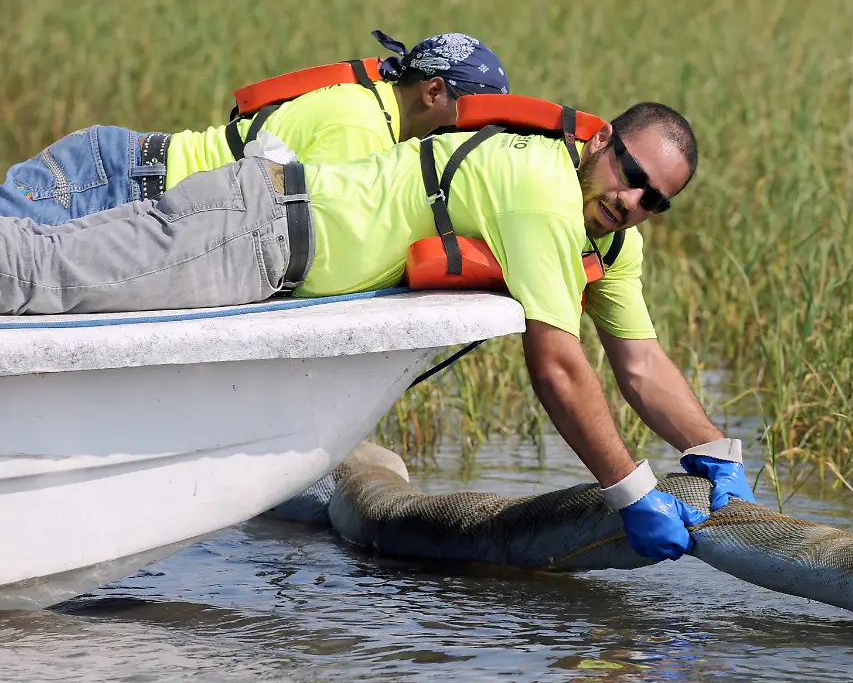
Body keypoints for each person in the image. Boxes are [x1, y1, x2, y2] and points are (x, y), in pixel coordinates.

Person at [0, 100, 754, 562]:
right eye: (629, 172)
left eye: (655, 199)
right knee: (43, 275)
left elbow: (641, 362)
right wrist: (631, 492)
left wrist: (714, 452)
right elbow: (558, 366)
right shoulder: (541, 190)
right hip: (253, 228)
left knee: (43, 272)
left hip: (270, 252)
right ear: (600, 143)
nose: (631, 200)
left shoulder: (613, 240)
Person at [0, 30, 509, 225]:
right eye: (474, 117)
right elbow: (307, 237)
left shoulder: (370, 103)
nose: (473, 135)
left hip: (120, 169)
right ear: (435, 92)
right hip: (115, 185)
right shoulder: (362, 129)